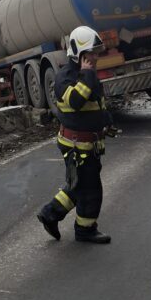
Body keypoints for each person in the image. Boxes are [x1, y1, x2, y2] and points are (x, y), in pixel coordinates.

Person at [37, 26, 116, 244]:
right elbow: (75, 101)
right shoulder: (65, 77)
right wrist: (88, 74)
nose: (96, 57)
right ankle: (85, 230)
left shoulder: (86, 75)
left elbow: (96, 104)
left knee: (79, 184)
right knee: (90, 190)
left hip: (86, 144)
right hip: (76, 146)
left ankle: (49, 214)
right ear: (81, 54)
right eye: (92, 53)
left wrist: (106, 123)